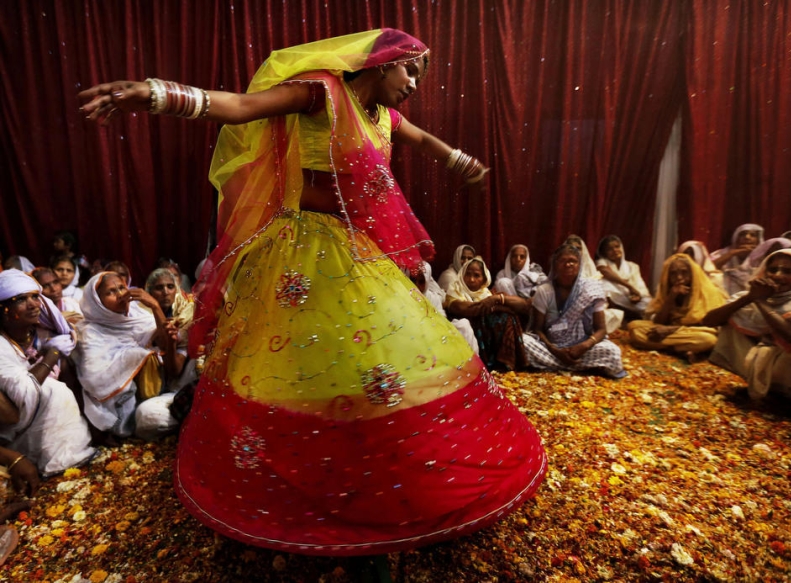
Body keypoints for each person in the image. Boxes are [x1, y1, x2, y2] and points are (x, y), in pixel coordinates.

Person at [79, 29, 546, 556]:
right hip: (302, 252)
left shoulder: (383, 119)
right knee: (306, 370)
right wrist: (154, 94)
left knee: (378, 374)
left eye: (420, 73)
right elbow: (239, 107)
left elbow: (419, 138)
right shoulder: (321, 91)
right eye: (409, 69)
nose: (413, 82)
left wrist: (458, 161)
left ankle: (382, 488)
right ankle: (307, 491)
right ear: (380, 61)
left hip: (359, 255)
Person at [0, 270, 97, 476]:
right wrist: (53, 353)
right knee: (54, 389)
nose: (34, 304)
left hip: (38, 415)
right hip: (11, 428)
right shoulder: (2, 344)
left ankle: (69, 453)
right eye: (21, 299)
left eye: (35, 296)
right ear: (4, 308)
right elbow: (25, 392)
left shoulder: (45, 332)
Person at [703, 249, 791, 402]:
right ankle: (763, 388)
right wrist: (749, 298)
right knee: (730, 322)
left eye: (787, 271)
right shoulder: (756, 293)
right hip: (767, 357)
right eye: (772, 269)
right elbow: (708, 321)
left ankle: (788, 397)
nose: (777, 275)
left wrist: (760, 301)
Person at [73, 272, 176, 441]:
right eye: (111, 292)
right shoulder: (89, 331)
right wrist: (135, 356)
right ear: (97, 302)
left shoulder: (139, 316)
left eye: (122, 287)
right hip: (119, 405)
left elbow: (166, 344)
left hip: (158, 390)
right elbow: (94, 379)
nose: (121, 295)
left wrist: (155, 307)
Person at [522, 244, 626, 378]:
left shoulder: (591, 289)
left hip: (583, 346)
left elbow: (601, 329)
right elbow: (537, 329)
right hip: (550, 347)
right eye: (563, 261)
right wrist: (555, 350)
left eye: (573, 261)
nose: (568, 264)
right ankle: (579, 365)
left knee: (612, 351)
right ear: (555, 264)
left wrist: (584, 346)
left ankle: (555, 364)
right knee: (524, 343)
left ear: (579, 265)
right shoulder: (545, 290)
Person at [627, 253, 728, 362]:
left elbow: (710, 325)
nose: (679, 278)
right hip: (676, 334)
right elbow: (659, 322)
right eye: (673, 274)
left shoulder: (708, 292)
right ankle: (681, 349)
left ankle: (670, 348)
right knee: (634, 328)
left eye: (684, 272)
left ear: (692, 273)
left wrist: (670, 329)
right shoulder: (667, 290)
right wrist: (671, 297)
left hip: (694, 332)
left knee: (708, 340)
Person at [445, 256, 530, 371]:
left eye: (477, 275)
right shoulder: (454, 290)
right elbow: (466, 309)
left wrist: (498, 299)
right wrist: (496, 306)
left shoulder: (486, 294)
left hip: (485, 336)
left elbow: (524, 305)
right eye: (468, 274)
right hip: (463, 338)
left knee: (508, 317)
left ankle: (502, 363)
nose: (471, 279)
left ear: (484, 279)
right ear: (461, 274)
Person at [405, 261, 479, 354]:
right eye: (412, 280)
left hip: (435, 334)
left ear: (427, 281)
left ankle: (472, 366)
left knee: (464, 325)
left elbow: (442, 321)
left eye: (421, 282)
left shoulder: (433, 298)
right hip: (413, 337)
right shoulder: (403, 297)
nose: (416, 285)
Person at [565, 235, 623, 333]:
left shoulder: (589, 266)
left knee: (615, 314)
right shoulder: (563, 265)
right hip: (571, 305)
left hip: (591, 304)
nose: (575, 251)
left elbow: (598, 289)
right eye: (572, 248)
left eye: (578, 248)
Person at [595, 235, 651, 321]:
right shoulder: (602, 262)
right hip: (615, 298)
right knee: (604, 283)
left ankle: (633, 314)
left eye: (617, 247)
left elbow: (640, 284)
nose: (614, 250)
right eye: (609, 249)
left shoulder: (633, 266)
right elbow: (605, 272)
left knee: (649, 304)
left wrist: (637, 295)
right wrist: (629, 286)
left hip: (631, 298)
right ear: (604, 253)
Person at [710, 223, 764, 295]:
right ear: (736, 237)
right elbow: (709, 269)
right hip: (723, 295)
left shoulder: (763, 256)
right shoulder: (722, 253)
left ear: (758, 240)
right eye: (742, 234)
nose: (747, 237)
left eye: (752, 235)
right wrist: (732, 253)